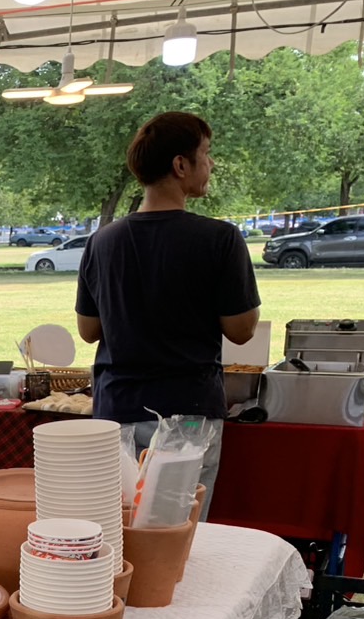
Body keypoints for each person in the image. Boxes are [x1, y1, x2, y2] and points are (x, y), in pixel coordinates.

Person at [75, 112, 260, 520]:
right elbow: (242, 330)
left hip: (116, 410)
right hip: (188, 412)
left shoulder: (102, 242)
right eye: (207, 154)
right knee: (173, 534)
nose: (211, 164)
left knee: (115, 527)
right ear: (180, 165)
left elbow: (88, 330)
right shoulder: (220, 239)